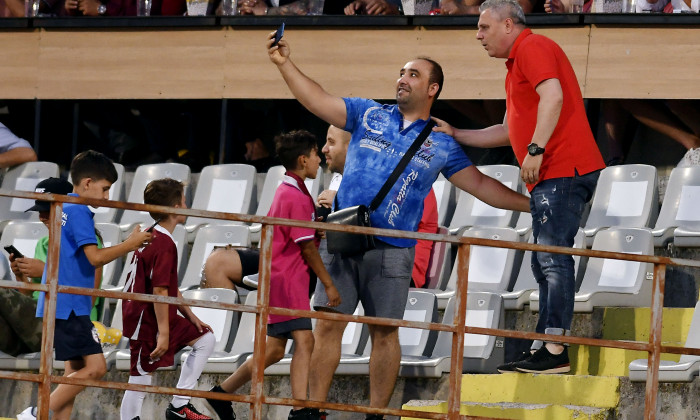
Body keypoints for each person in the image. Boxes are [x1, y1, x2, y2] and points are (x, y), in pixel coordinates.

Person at [266, 30, 530, 420]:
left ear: (433, 88)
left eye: (414, 75)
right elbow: (317, 99)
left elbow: (481, 186)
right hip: (343, 238)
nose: (403, 79)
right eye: (401, 72)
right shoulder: (368, 113)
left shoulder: (442, 143)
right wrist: (285, 64)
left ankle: (376, 414)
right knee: (327, 327)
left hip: (394, 249)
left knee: (385, 334)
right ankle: (312, 412)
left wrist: (532, 206)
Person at [433, 0, 605, 374]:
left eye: (484, 28)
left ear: (508, 24)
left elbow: (554, 97)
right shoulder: (516, 65)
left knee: (552, 258)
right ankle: (547, 343)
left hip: (563, 168)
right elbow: (508, 129)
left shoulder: (532, 46)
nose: (478, 36)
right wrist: (457, 134)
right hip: (553, 171)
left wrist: (535, 150)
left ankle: (556, 347)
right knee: (543, 261)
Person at [205, 130, 342, 420]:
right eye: (317, 154)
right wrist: (329, 285)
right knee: (305, 341)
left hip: (278, 277)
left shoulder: (292, 190)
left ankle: (221, 393)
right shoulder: (294, 195)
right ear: (304, 160)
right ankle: (301, 409)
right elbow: (306, 249)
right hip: (288, 278)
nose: (320, 160)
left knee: (275, 350)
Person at [17, 150, 152, 420]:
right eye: (105, 189)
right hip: (70, 307)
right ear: (87, 183)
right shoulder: (77, 210)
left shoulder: (63, 209)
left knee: (72, 375)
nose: (106, 197)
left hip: (61, 304)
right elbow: (94, 258)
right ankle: (34, 413)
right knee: (96, 368)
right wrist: (130, 244)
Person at [120, 178, 216, 420]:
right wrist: (163, 333)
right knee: (139, 378)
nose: (186, 204)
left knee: (205, 338)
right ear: (175, 207)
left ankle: (180, 405)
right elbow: (160, 291)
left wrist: (191, 316)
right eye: (183, 199)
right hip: (147, 320)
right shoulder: (162, 242)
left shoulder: (151, 235)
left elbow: (168, 287)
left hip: (159, 315)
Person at [0, 178, 73, 357]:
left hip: (66, 327)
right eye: (39, 211)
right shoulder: (43, 243)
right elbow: (30, 299)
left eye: (47, 210)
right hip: (34, 327)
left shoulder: (87, 244)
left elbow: (89, 296)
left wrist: (45, 272)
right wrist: (23, 280)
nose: (42, 217)